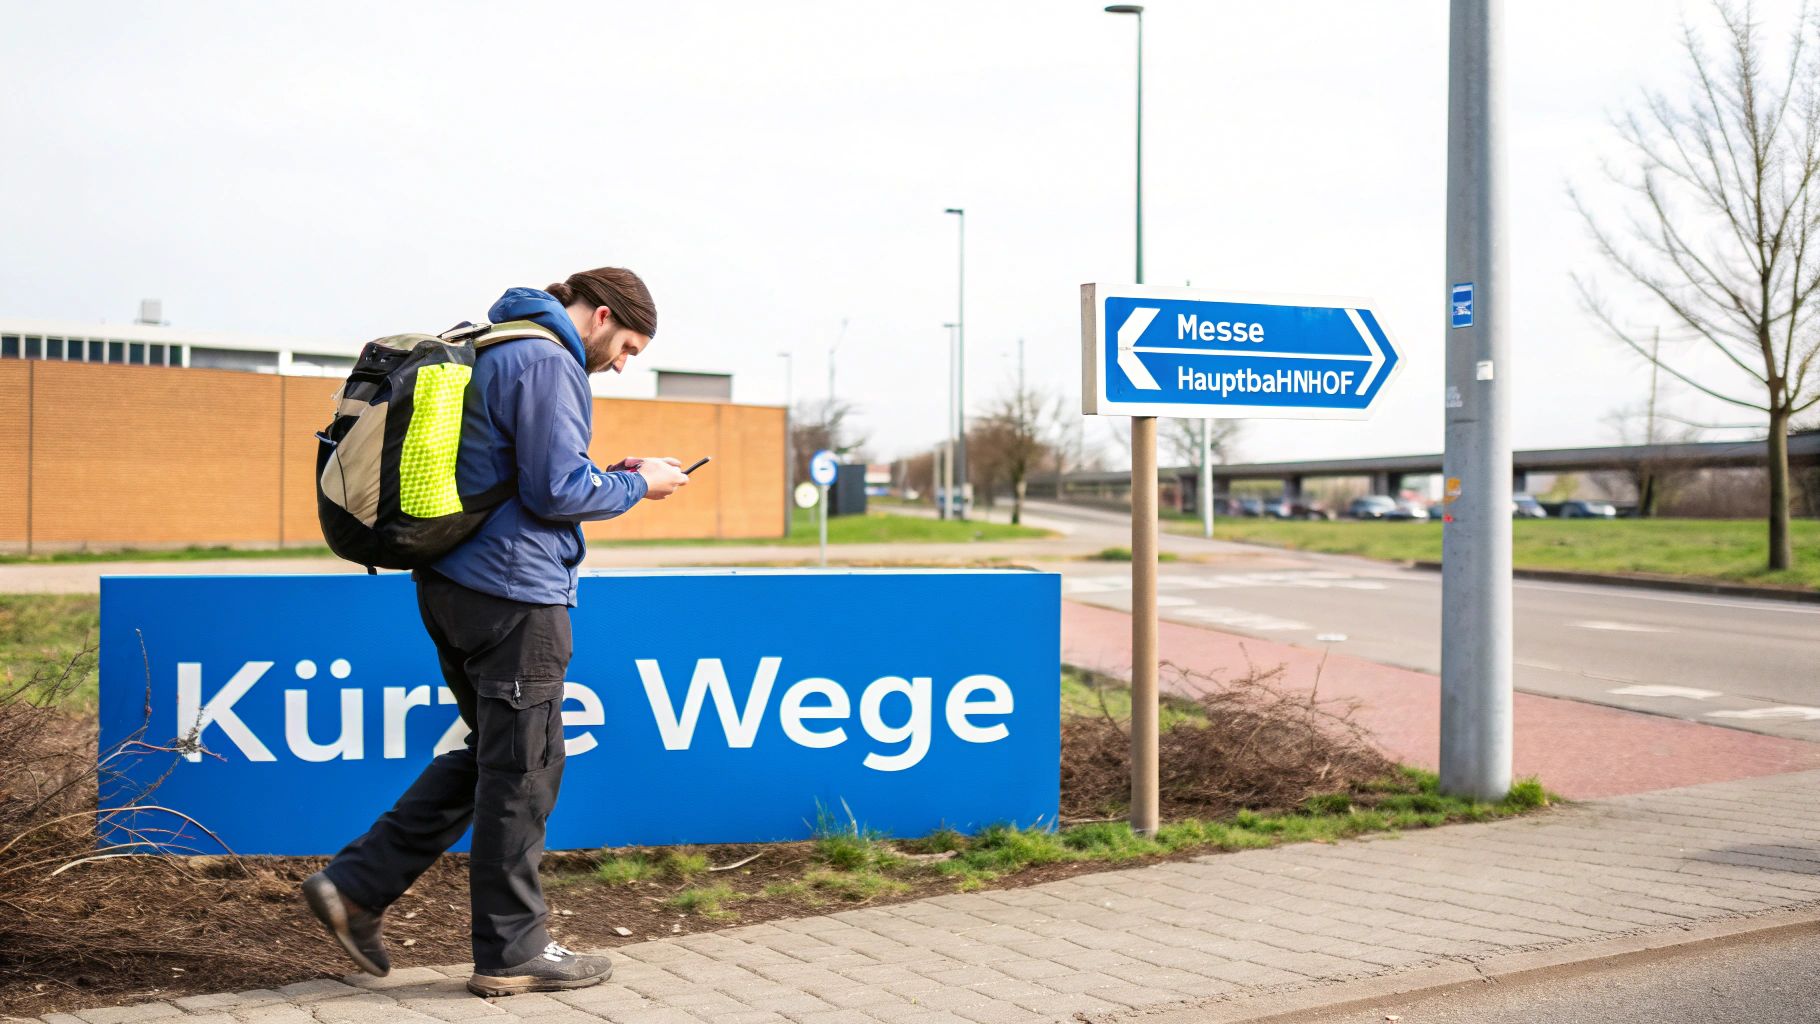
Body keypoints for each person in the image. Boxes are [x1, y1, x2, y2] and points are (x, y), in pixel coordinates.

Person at [301, 268, 690, 998]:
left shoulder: (497, 343)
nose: (624, 363)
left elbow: (519, 477)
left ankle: (355, 889)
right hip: (514, 596)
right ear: (602, 315)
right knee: (525, 770)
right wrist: (642, 485)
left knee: (498, 755)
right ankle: (512, 950)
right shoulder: (549, 359)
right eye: (629, 346)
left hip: (454, 586)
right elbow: (555, 492)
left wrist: (609, 472)